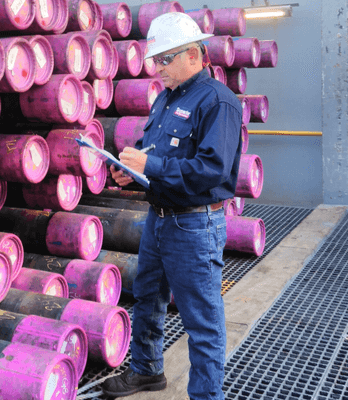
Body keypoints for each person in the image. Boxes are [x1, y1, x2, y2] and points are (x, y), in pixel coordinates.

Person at [101, 12, 243, 400]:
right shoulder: (166, 98)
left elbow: (211, 170)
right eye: (155, 60)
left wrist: (153, 165)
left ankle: (206, 396)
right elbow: (162, 155)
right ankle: (147, 371)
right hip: (159, 220)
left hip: (194, 228)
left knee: (202, 322)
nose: (157, 68)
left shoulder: (219, 102)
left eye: (165, 59)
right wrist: (134, 169)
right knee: (147, 298)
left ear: (194, 56)